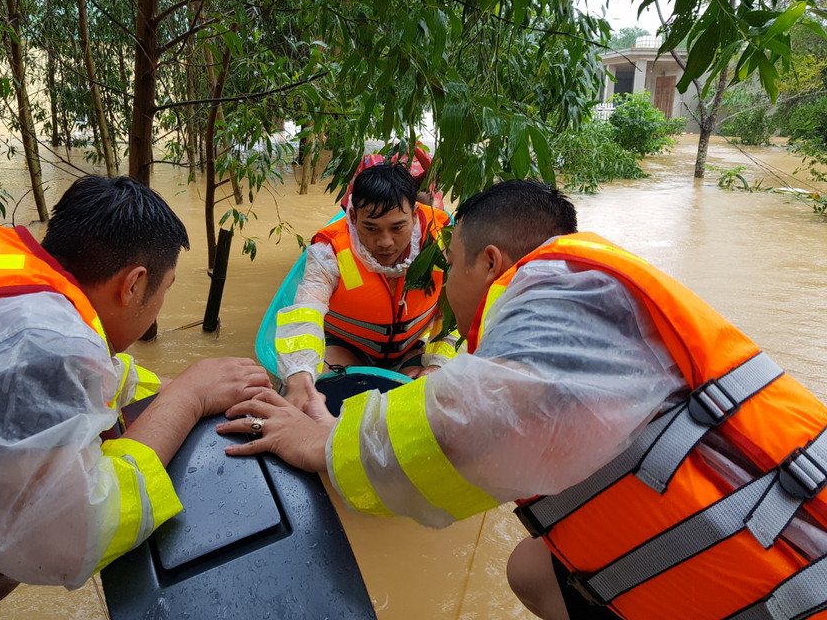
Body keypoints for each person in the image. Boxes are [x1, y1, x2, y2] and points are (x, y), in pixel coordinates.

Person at [219, 179, 827, 620]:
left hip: (797, 592)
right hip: (783, 538)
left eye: (450, 263)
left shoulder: (553, 291)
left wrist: (322, 441)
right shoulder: (590, 282)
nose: (445, 278)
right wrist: (302, 375)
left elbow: (469, 424)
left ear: (490, 262)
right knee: (532, 569)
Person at [0, 175, 270, 620]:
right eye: (166, 287)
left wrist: (191, 385)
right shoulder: (37, 342)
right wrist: (190, 397)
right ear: (134, 284)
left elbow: (103, 378)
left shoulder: (12, 275)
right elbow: (69, 536)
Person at [275, 163, 457, 410]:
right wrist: (298, 377)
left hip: (410, 351)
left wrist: (437, 364)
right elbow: (305, 313)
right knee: (309, 388)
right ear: (352, 217)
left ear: (415, 215)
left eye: (397, 227)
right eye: (371, 228)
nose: (385, 242)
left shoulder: (444, 240)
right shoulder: (328, 252)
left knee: (439, 397)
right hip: (347, 349)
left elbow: (453, 314)